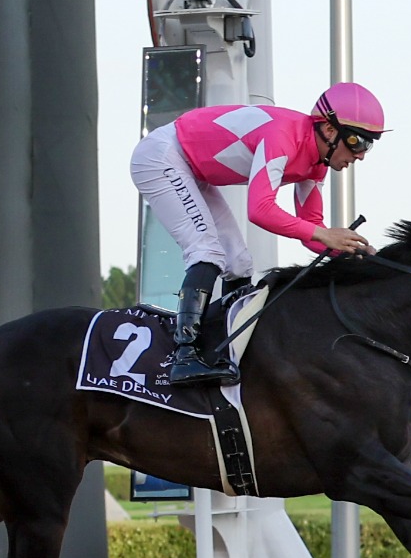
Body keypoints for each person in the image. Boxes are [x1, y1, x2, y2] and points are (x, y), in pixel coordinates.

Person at [130, 81, 385, 386]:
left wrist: (350, 252)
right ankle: (184, 356)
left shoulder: (317, 163)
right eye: (358, 142)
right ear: (330, 130)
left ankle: (225, 350)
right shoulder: (283, 137)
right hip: (162, 157)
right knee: (207, 252)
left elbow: (311, 232)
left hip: (192, 169)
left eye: (369, 145)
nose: (361, 155)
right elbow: (260, 210)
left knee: (238, 263)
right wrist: (324, 235)